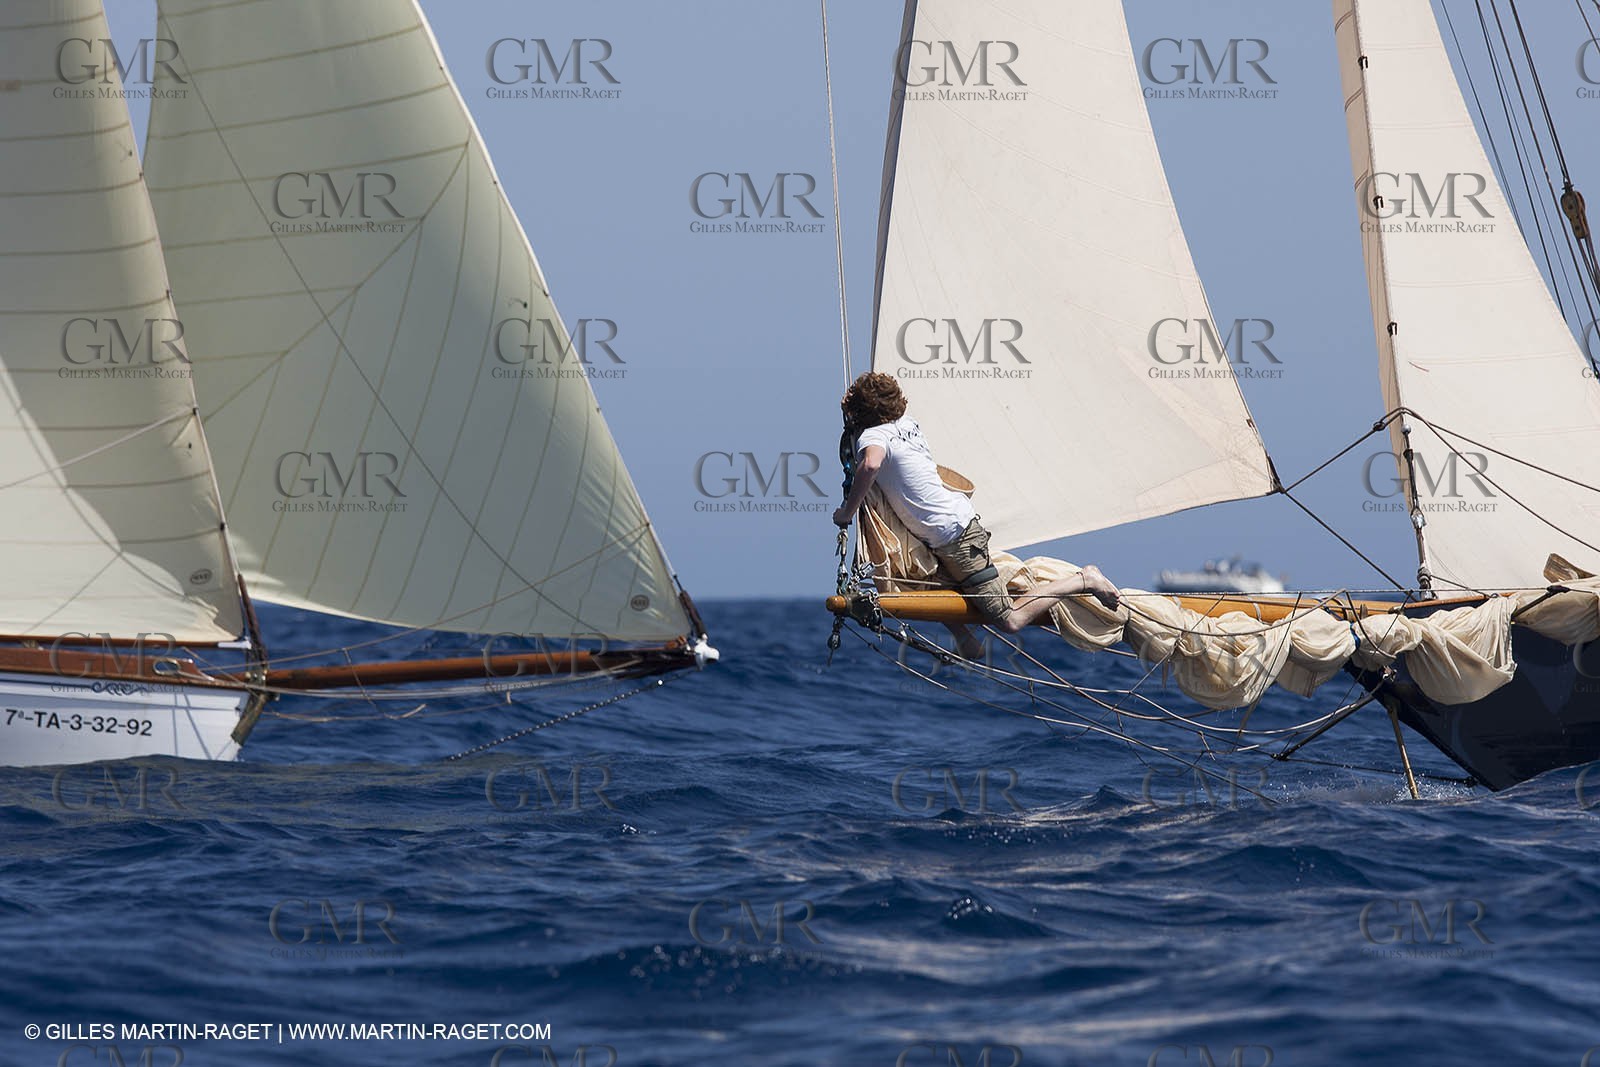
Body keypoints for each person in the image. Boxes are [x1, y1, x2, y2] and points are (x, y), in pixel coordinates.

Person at [831, 373, 1120, 658]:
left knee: (1010, 620)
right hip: (947, 531)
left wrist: (847, 512)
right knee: (921, 583)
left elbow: (869, 466)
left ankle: (1084, 579)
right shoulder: (908, 424)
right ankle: (967, 642)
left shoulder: (873, 435)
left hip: (957, 538)